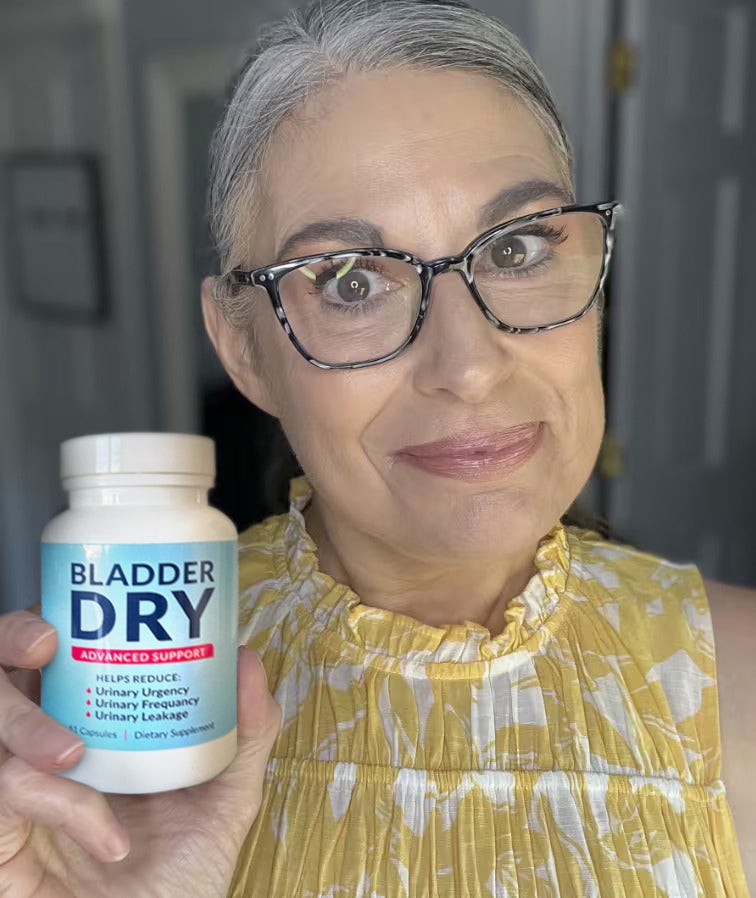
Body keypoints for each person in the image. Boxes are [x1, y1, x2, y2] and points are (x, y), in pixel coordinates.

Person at [1, 0, 754, 894]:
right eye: (352, 282)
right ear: (244, 348)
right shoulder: (121, 693)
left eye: (517, 247)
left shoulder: (740, 677)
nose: (468, 367)